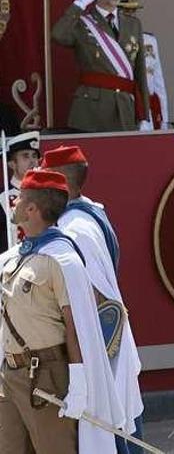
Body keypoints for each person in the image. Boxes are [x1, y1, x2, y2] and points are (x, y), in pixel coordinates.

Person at [0, 169, 125, 453]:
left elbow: (76, 326)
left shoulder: (64, 259)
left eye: (18, 198)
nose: (13, 202)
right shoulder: (13, 257)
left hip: (46, 375)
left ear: (31, 209)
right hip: (10, 375)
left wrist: (79, 384)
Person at [51, 0, 150, 132]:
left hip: (125, 109)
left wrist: (144, 115)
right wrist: (80, 4)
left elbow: (140, 72)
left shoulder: (133, 24)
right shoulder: (82, 23)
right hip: (92, 111)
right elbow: (57, 35)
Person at [118, 0, 169, 130]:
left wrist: (164, 117)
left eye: (133, 11)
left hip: (149, 109)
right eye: (126, 11)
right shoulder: (114, 41)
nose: (131, 15)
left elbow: (158, 81)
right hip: (128, 107)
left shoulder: (149, 40)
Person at [0, 131, 41, 252]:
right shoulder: (2, 197)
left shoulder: (47, 193)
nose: (33, 161)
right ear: (12, 164)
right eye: (25, 156)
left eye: (34, 156)